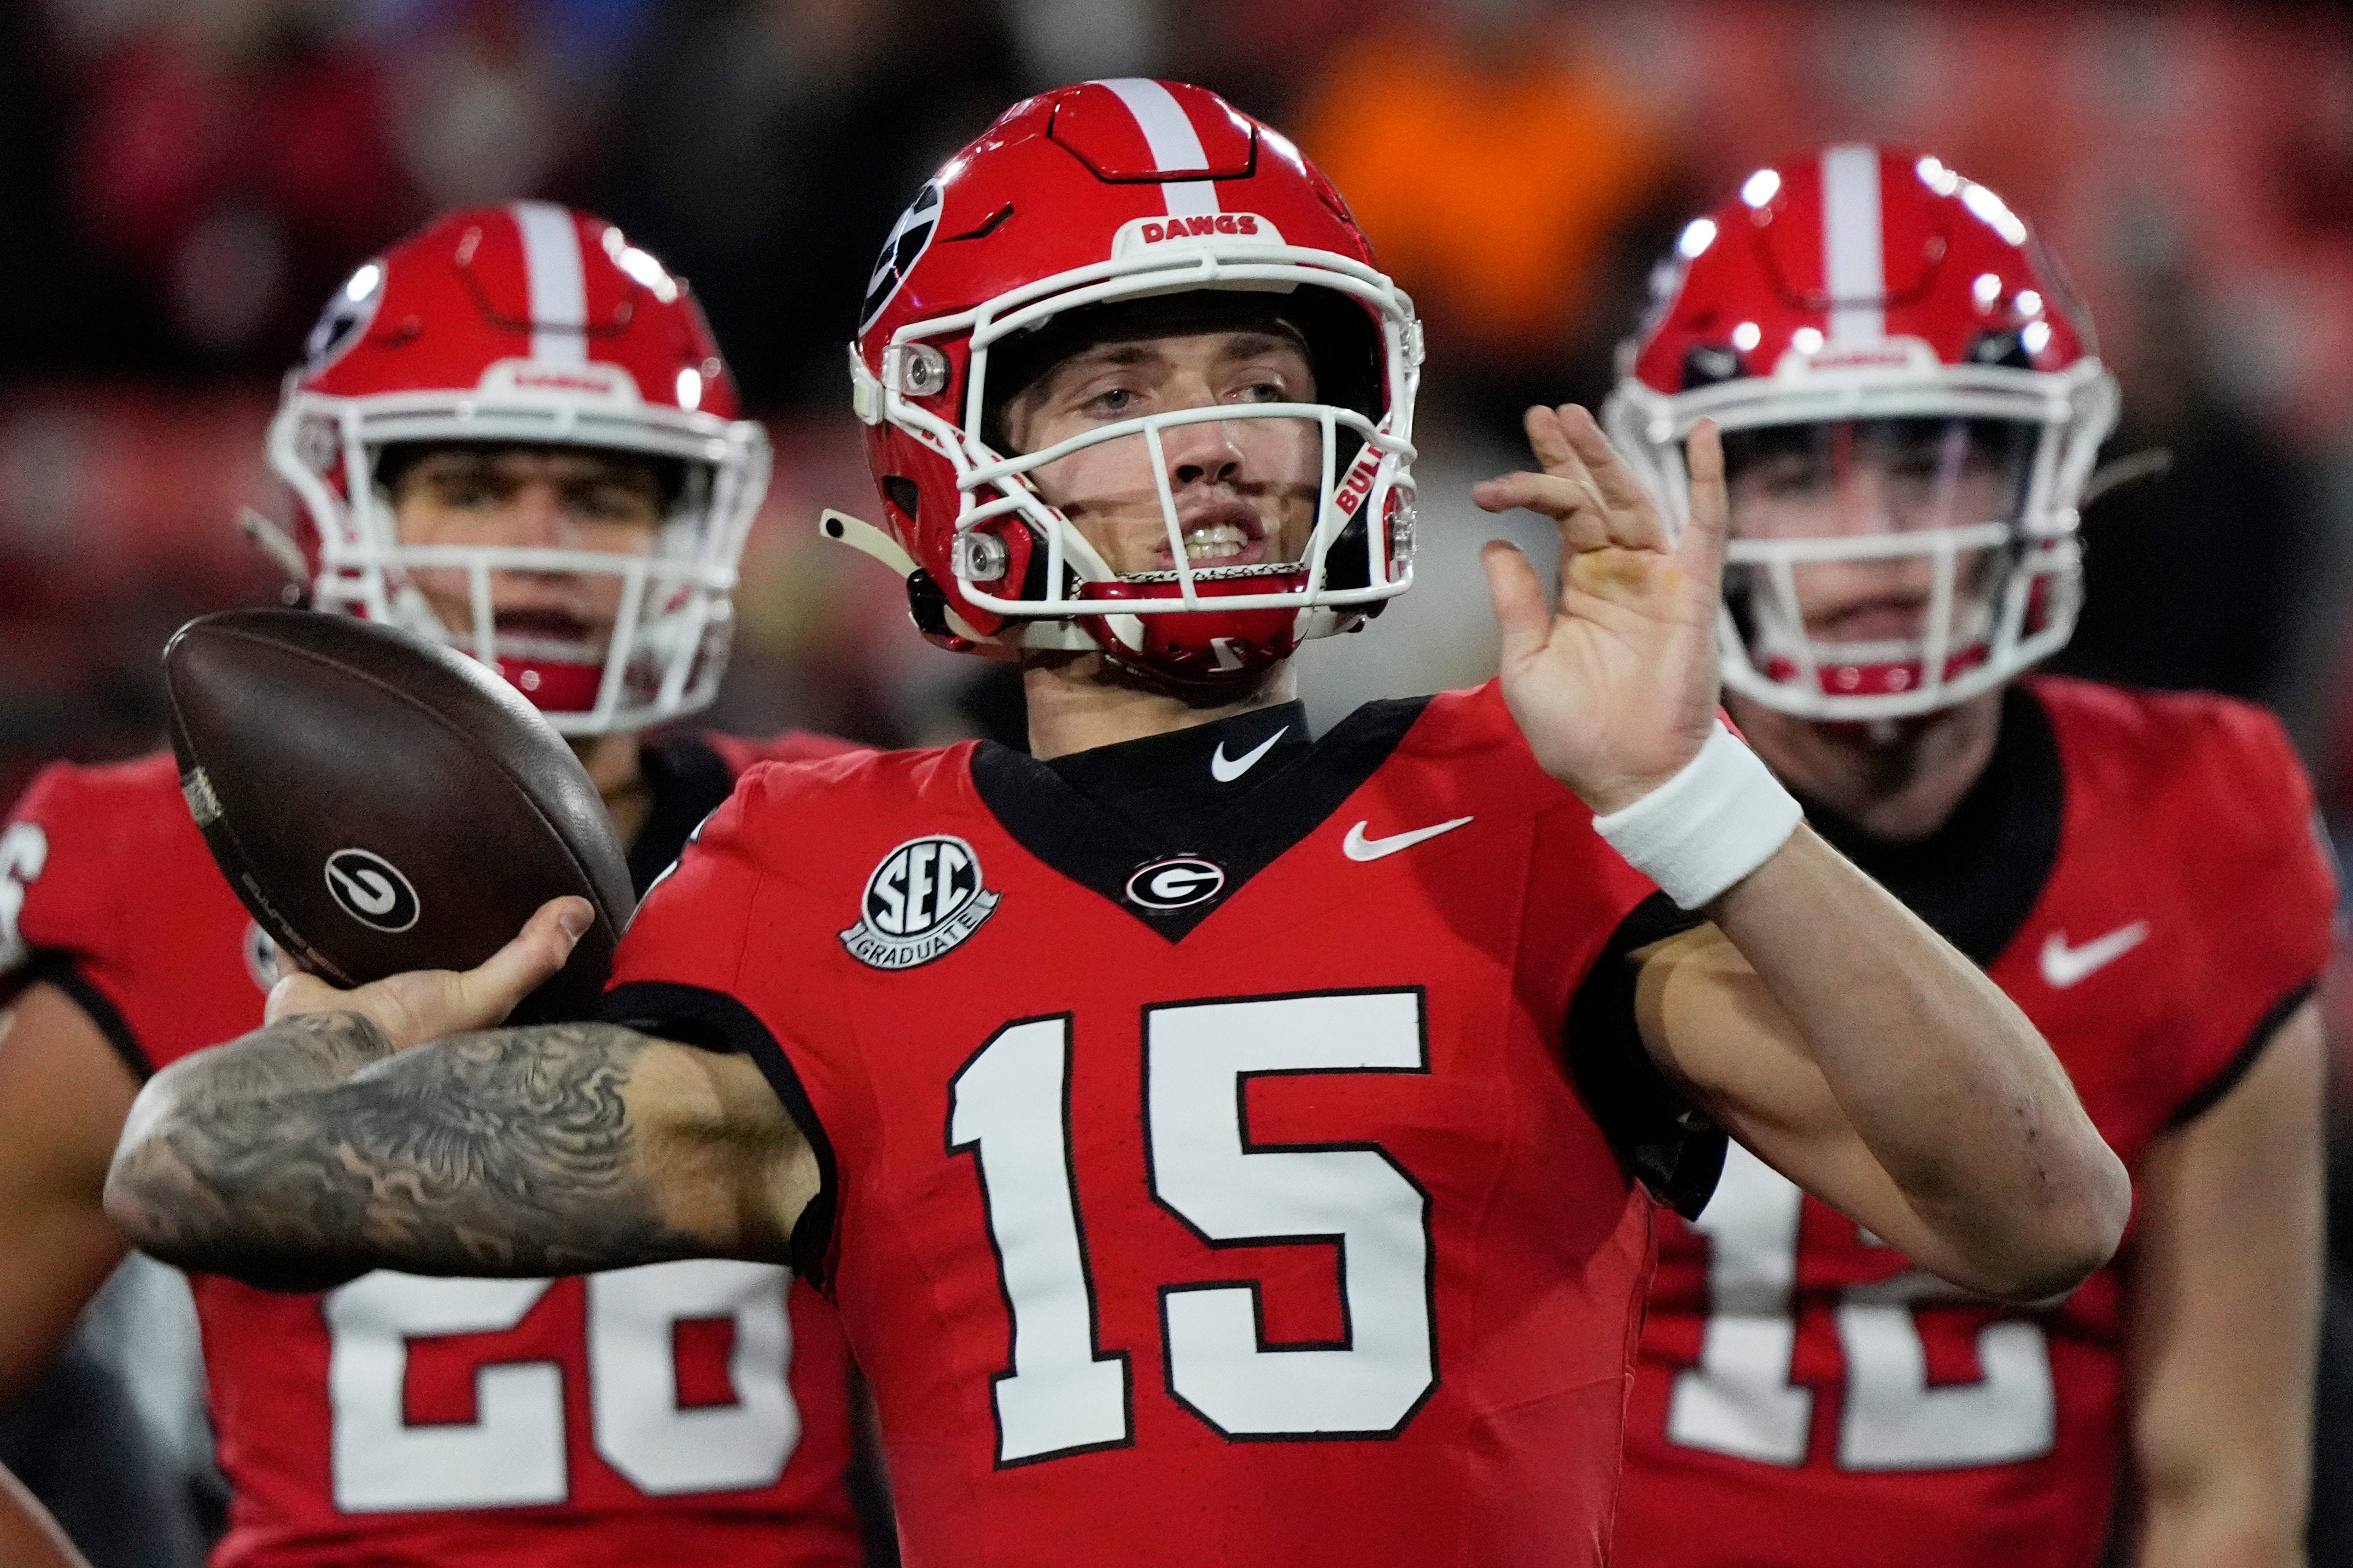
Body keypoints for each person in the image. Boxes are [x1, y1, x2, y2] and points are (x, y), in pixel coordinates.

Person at [102, 84, 2129, 1568]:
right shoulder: (807, 868)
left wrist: (1698, 790)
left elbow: (2040, 1209)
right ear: (947, 454)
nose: (1225, 433)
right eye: (1117, 384)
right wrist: (347, 1026)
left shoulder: (1518, 805)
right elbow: (194, 1168)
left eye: (1262, 369)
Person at [0, 204, 871, 1567]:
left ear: (688, 531)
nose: (537, 544)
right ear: (350, 508)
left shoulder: (839, 844)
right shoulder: (158, 865)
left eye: (600, 493)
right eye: (467, 485)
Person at [1601, 147, 2336, 1568]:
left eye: (1931, 456)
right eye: (1798, 469)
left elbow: (2225, 1490)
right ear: (1687, 492)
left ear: (2045, 471)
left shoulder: (2203, 809)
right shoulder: (1532, 818)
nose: (1874, 543)